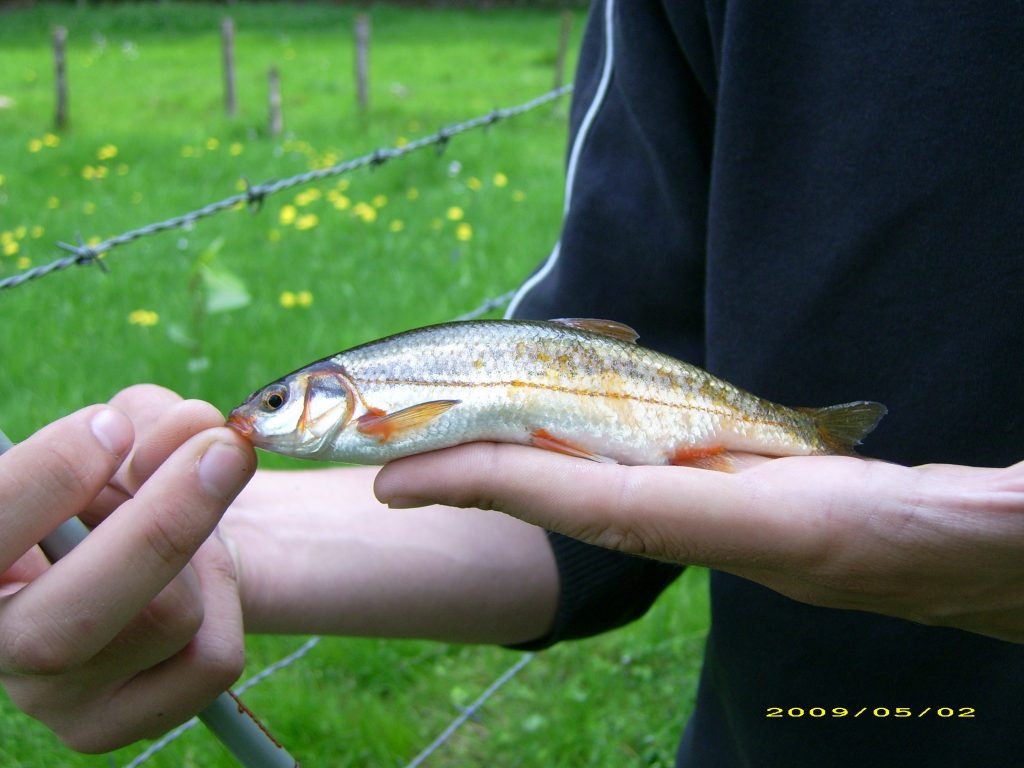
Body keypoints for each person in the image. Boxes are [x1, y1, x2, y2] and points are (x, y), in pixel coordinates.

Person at [2, 0, 1022, 764]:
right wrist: (195, 540)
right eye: (269, 405)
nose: (260, 416)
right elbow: (580, 478)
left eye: (276, 405)